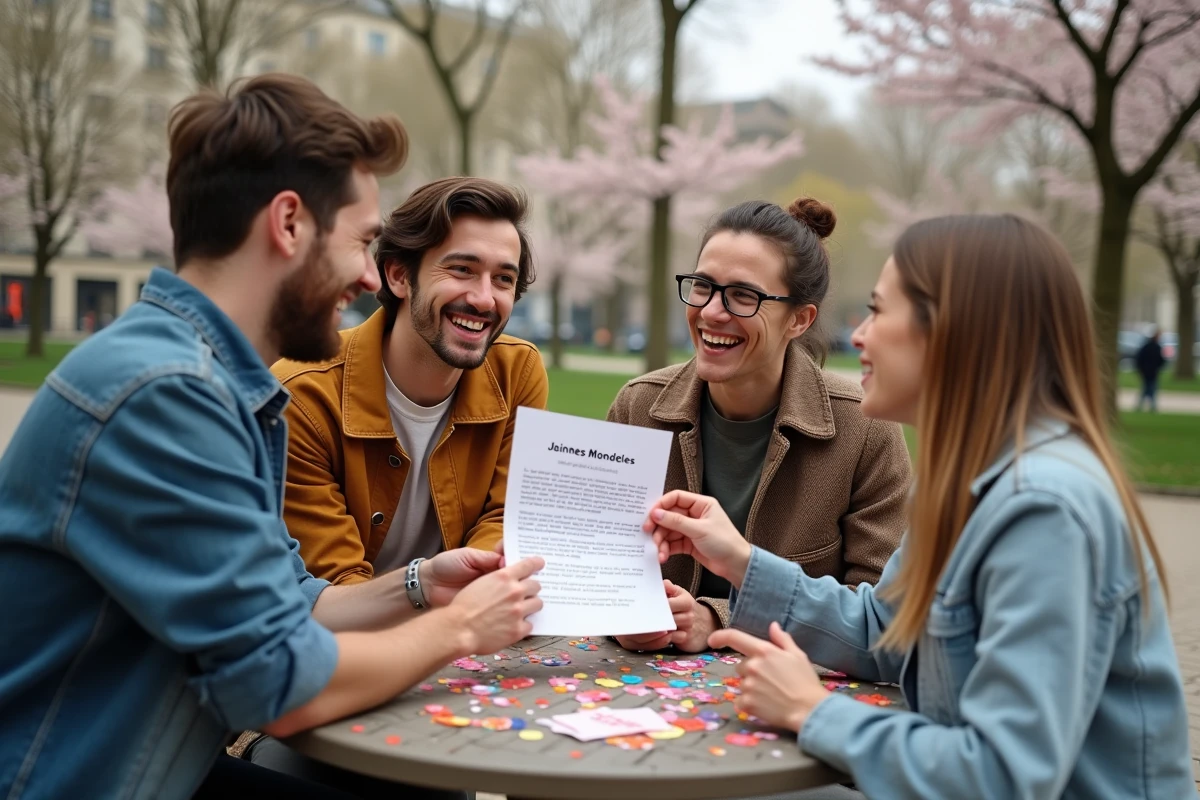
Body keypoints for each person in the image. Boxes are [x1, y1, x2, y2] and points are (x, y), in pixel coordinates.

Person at [0, 74, 544, 800]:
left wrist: (420, 584)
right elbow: (279, 686)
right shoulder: (167, 395)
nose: (365, 276)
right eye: (359, 243)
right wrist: (461, 631)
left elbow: (294, 598)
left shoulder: (206, 379)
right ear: (289, 224)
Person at [643, 214, 1194, 798]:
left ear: (956, 333)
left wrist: (813, 710)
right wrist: (742, 563)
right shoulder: (969, 481)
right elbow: (886, 630)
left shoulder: (1044, 509)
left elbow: (1006, 775)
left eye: (879, 311)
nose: (858, 335)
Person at [608, 198, 910, 654]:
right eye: (703, 286)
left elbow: (881, 613)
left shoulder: (866, 430)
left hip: (790, 697)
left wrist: (718, 617)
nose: (712, 311)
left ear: (800, 319)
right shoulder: (638, 407)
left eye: (743, 296)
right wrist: (621, 615)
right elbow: (597, 567)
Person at [270, 176, 546, 587]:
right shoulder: (303, 392)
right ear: (399, 276)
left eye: (503, 279)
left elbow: (506, 519)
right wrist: (430, 597)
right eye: (461, 269)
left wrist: (475, 586)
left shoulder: (518, 373)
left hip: (464, 623)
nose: (485, 299)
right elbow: (336, 581)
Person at [1135, 327, 1166, 412]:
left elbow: (1139, 358)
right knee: (1150, 389)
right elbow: (1161, 360)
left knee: (1147, 388)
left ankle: (1143, 405)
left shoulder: (1147, 346)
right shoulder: (1155, 347)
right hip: (1151, 371)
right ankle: (1152, 406)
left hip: (1148, 371)